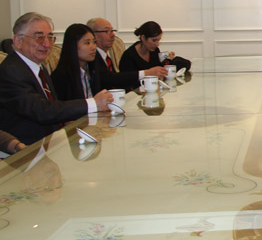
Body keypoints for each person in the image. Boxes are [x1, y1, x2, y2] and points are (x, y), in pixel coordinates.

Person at [0, 12, 112, 145]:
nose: (47, 44)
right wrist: (93, 103)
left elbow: (53, 106)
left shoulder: (38, 67)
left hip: (50, 141)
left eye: (50, 37)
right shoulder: (11, 70)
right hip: (25, 148)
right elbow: (41, 111)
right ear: (18, 41)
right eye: (39, 38)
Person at [51, 23, 138, 100]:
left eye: (94, 42)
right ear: (72, 45)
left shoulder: (93, 69)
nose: (93, 47)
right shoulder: (60, 76)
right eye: (87, 43)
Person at [87, 18, 167, 82]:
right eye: (107, 31)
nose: (113, 35)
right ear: (93, 35)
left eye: (112, 31)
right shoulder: (91, 58)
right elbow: (110, 79)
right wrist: (147, 73)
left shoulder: (106, 57)